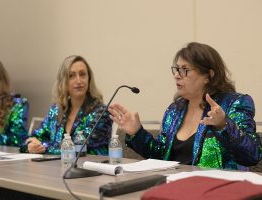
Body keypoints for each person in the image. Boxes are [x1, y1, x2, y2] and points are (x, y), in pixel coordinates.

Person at [109, 42, 262, 170]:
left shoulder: (234, 104)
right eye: (176, 69)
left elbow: (252, 155)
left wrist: (224, 125)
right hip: (174, 188)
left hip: (218, 191)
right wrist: (137, 133)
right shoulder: (175, 110)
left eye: (185, 70)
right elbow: (161, 156)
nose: (177, 75)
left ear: (208, 76)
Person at [20, 55, 112, 155]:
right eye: (71, 76)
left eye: (82, 74)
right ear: (63, 81)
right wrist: (29, 146)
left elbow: (77, 148)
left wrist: (43, 147)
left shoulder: (102, 112)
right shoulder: (56, 110)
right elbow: (33, 138)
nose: (78, 81)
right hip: (57, 168)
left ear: (89, 79)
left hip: (89, 168)